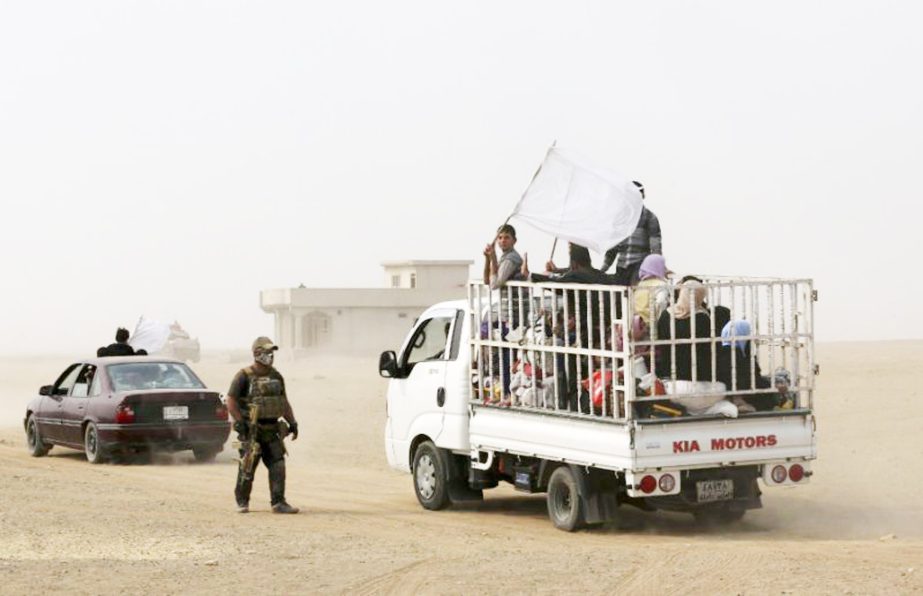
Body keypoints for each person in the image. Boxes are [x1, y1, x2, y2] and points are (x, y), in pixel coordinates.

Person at [226, 337, 300, 514]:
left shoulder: (276, 376)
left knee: (278, 465)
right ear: (256, 353)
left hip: (272, 429)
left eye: (271, 352)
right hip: (251, 429)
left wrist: (292, 422)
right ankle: (242, 502)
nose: (270, 355)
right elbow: (231, 400)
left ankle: (278, 502)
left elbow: (283, 402)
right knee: (247, 466)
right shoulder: (243, 376)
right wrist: (240, 422)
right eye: (266, 352)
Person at [600, 181, 662, 286]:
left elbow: (655, 248)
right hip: (622, 265)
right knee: (620, 295)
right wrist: (604, 268)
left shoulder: (649, 218)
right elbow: (613, 247)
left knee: (635, 294)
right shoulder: (620, 218)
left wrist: (658, 267)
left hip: (640, 265)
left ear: (643, 196)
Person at [717, 320, 779, 412]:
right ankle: (749, 405)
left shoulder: (719, 351)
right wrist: (773, 387)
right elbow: (752, 378)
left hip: (726, 393)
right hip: (741, 393)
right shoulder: (737, 354)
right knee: (769, 394)